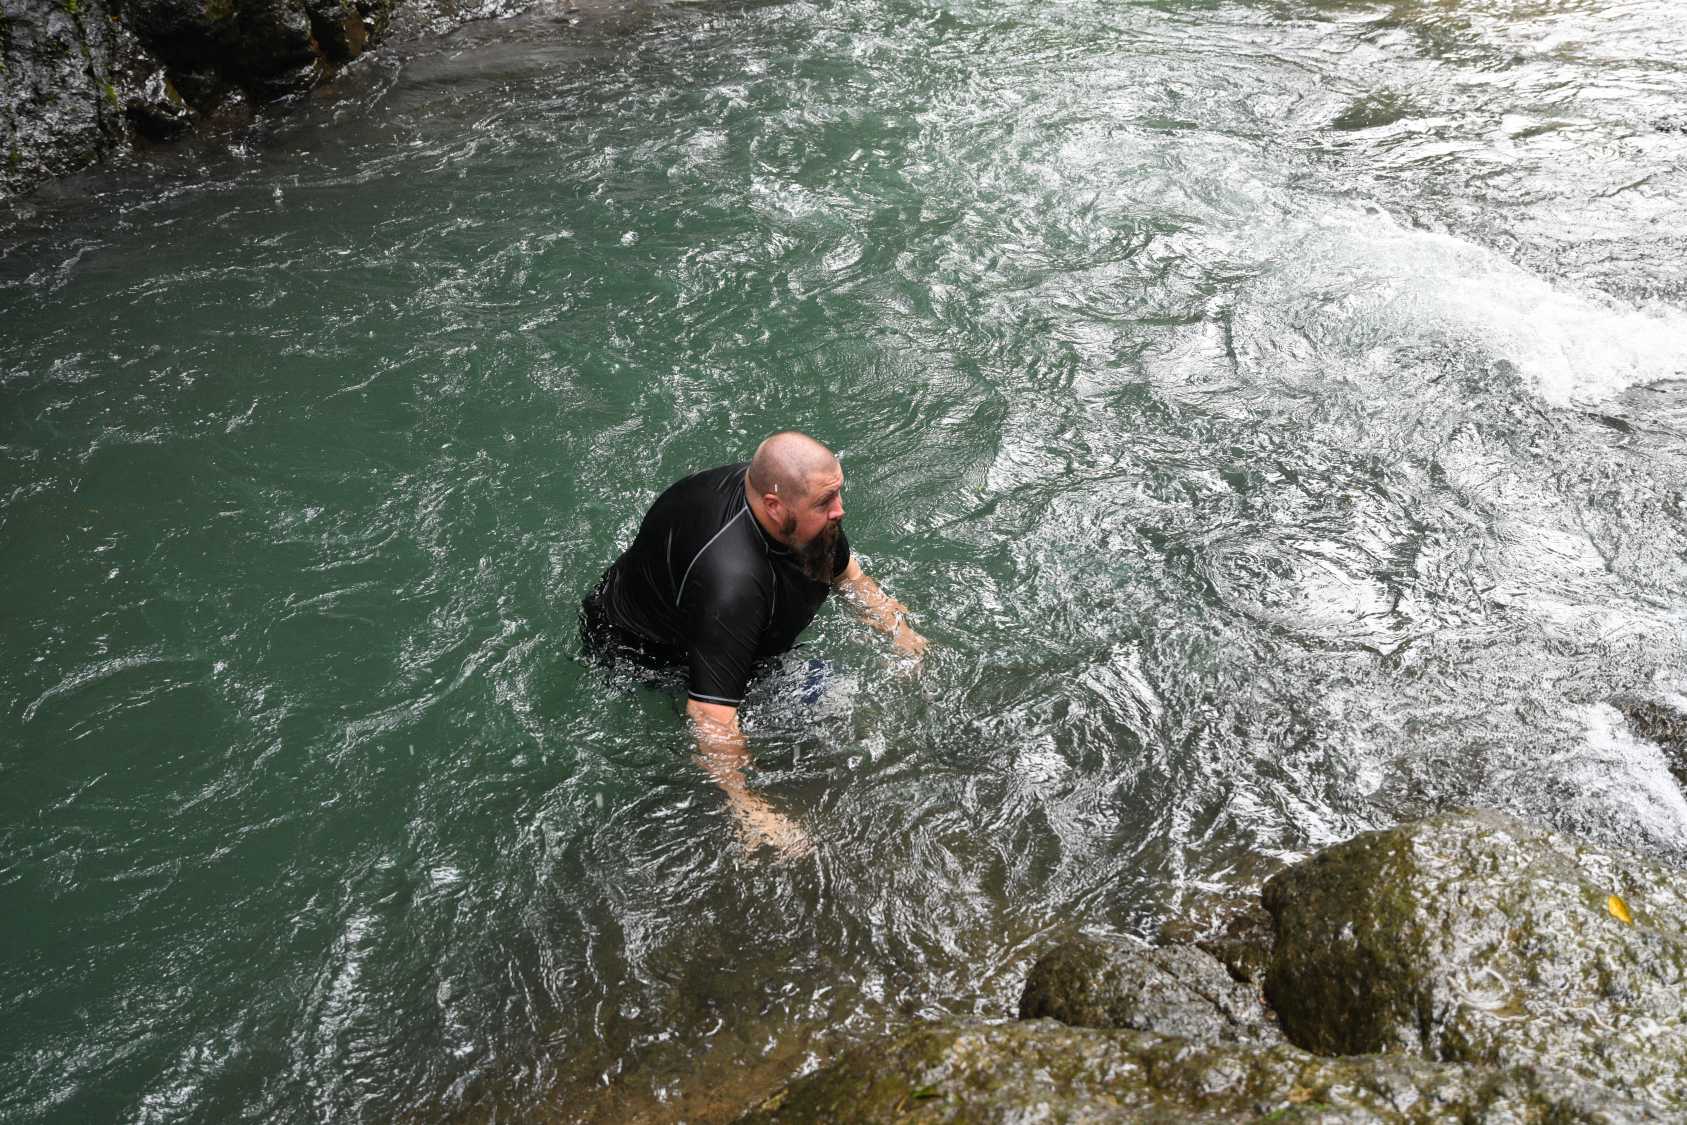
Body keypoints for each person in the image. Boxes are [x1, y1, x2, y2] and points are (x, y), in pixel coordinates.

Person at [581, 431, 926, 855]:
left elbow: (847, 575)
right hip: (645, 653)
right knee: (832, 703)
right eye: (825, 502)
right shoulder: (732, 583)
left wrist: (901, 634)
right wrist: (747, 807)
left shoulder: (799, 505)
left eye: (837, 493)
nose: (840, 510)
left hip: (702, 599)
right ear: (774, 506)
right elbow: (710, 715)